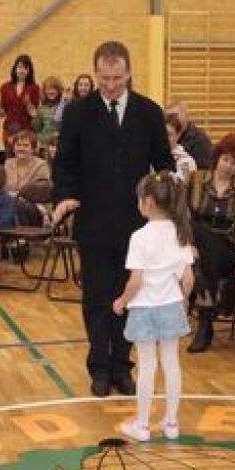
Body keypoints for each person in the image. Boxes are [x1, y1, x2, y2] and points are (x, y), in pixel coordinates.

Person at [52, 40, 173, 397]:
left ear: (129, 73)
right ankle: (99, 368)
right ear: (95, 73)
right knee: (97, 298)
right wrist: (65, 196)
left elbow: (163, 164)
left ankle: (123, 365)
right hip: (93, 222)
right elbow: (65, 164)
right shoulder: (77, 112)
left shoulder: (149, 112)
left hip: (139, 228)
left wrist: (165, 206)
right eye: (104, 78)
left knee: (131, 297)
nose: (110, 85)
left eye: (117, 78)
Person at [112, 171, 195, 439]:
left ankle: (143, 425)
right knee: (172, 363)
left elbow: (136, 280)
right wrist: (184, 301)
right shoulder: (181, 234)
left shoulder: (140, 237)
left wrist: (122, 300)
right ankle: (171, 424)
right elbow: (189, 279)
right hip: (171, 305)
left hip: (144, 309)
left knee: (147, 365)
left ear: (147, 203)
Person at [186, 134, 235, 353]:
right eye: (225, 159)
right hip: (195, 245)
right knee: (203, 237)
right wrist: (188, 244)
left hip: (229, 247)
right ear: (217, 158)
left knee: (211, 248)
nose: (228, 166)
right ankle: (207, 320)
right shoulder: (196, 179)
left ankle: (205, 323)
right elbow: (183, 216)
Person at [0, 54, 40, 145]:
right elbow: (2, 113)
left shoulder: (34, 87)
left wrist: (28, 103)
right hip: (10, 130)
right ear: (15, 68)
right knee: (10, 157)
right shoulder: (5, 87)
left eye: (25, 68)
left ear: (29, 71)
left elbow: (34, 114)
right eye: (20, 67)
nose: (22, 71)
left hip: (27, 130)